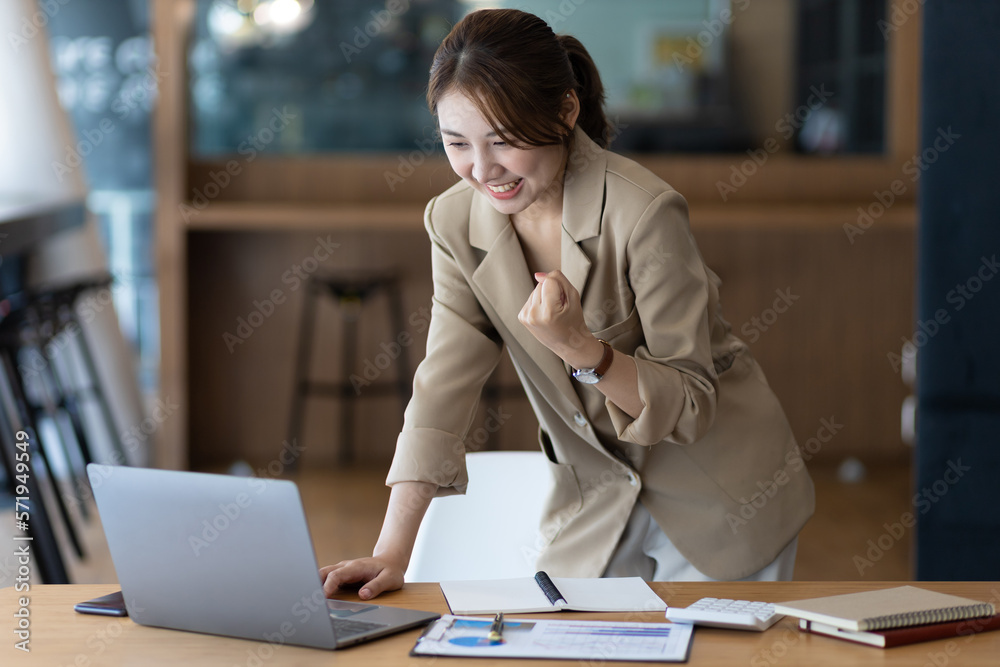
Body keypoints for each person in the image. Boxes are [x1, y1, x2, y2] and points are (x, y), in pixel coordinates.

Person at [320, 8, 814, 600]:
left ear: (565, 111)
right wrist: (390, 553)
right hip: (596, 501)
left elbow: (691, 403)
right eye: (457, 143)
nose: (482, 170)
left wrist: (581, 349)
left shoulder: (643, 213)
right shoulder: (453, 222)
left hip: (722, 493)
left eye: (502, 140)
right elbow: (441, 386)